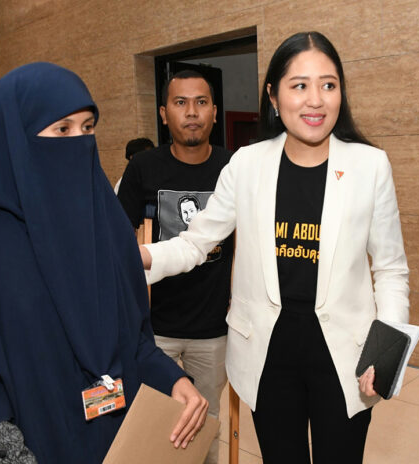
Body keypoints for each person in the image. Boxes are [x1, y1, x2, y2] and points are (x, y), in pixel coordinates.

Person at [0, 62, 207, 464]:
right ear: (17, 137)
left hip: (115, 435)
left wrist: (173, 380)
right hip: (34, 441)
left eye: (88, 128)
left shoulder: (102, 219)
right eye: (62, 129)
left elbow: (132, 337)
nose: (79, 142)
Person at [139, 32, 410, 463]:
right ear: (273, 94)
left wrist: (387, 351)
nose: (315, 100)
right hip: (267, 355)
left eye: (328, 84)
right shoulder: (246, 164)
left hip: (344, 354)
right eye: (299, 85)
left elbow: (391, 269)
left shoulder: (369, 166)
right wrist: (138, 260)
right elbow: (195, 243)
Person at [117, 69, 233, 464]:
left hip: (213, 326)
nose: (192, 112)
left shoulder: (231, 168)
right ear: (164, 113)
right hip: (154, 326)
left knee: (207, 419)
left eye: (201, 102)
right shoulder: (142, 168)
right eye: (180, 103)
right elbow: (119, 242)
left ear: (215, 112)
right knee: (152, 419)